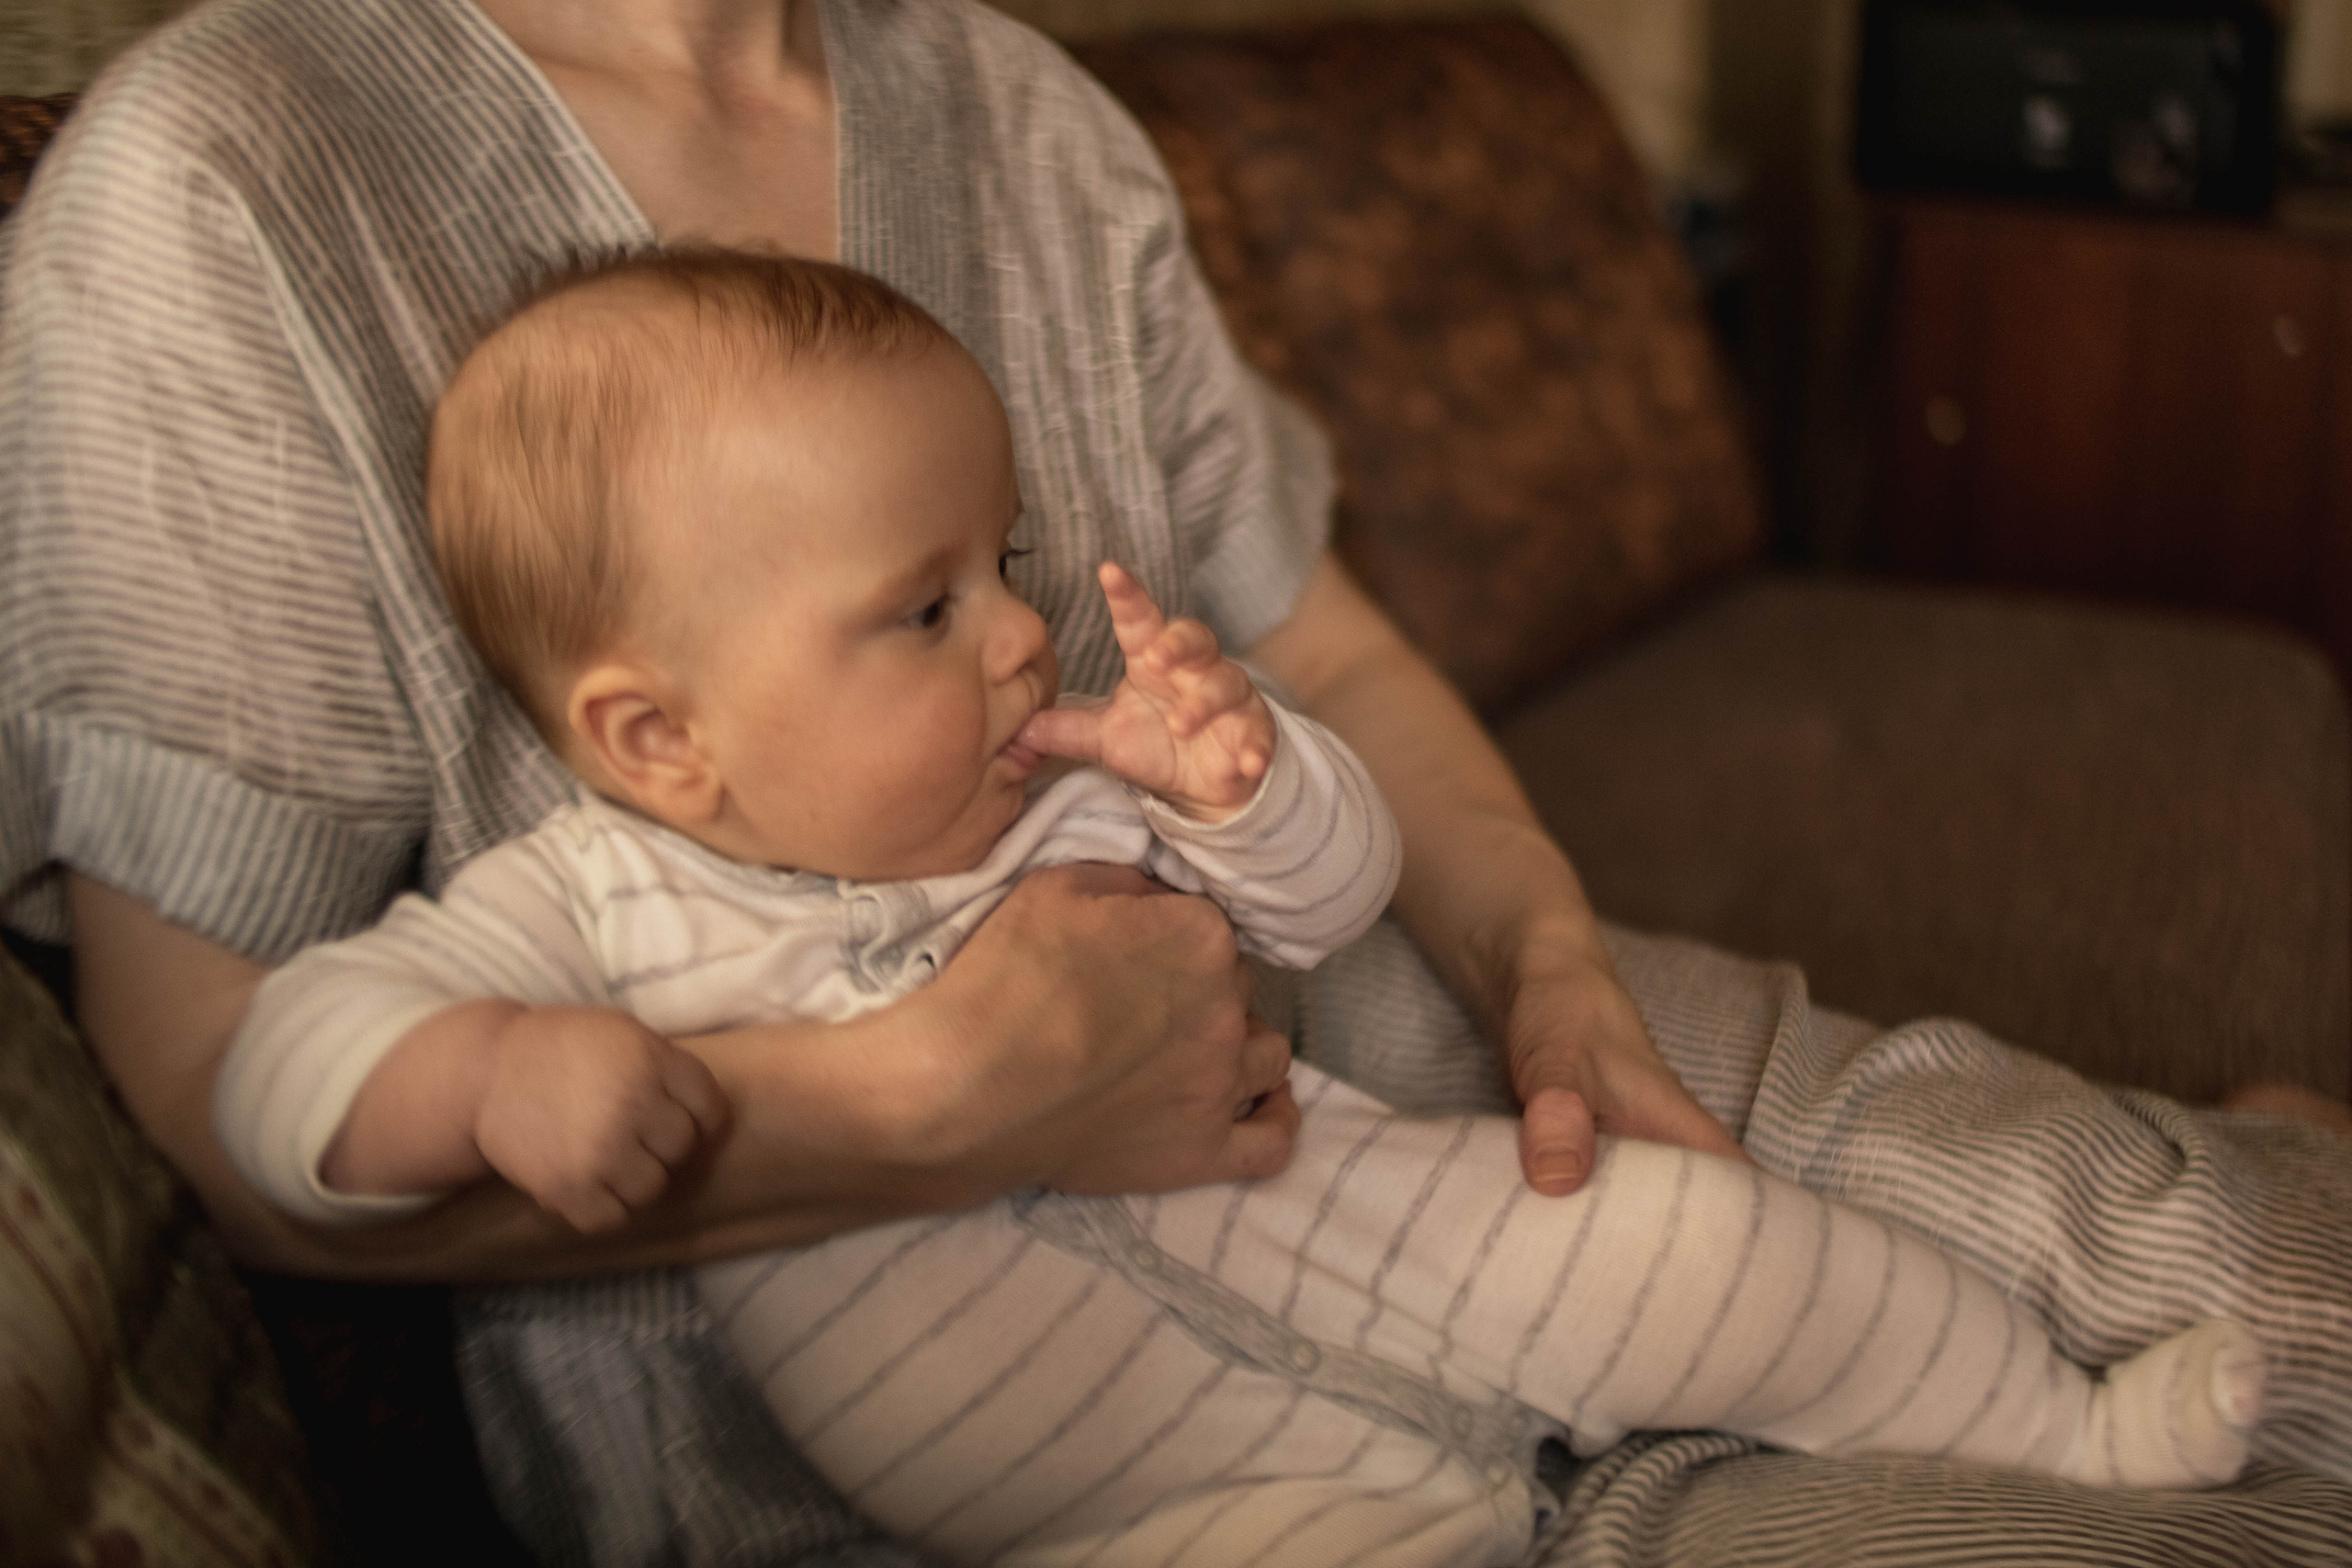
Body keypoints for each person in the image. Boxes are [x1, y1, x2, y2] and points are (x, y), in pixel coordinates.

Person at [3, 0, 2347, 1562]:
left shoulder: (1020, 111)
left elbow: (1314, 648)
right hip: (1026, 1455)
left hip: (1455, 1111)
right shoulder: (229, 180)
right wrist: (937, 1100)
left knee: (2219, 1259)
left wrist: (1540, 962)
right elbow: (219, 1087)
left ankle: (2219, 1163)